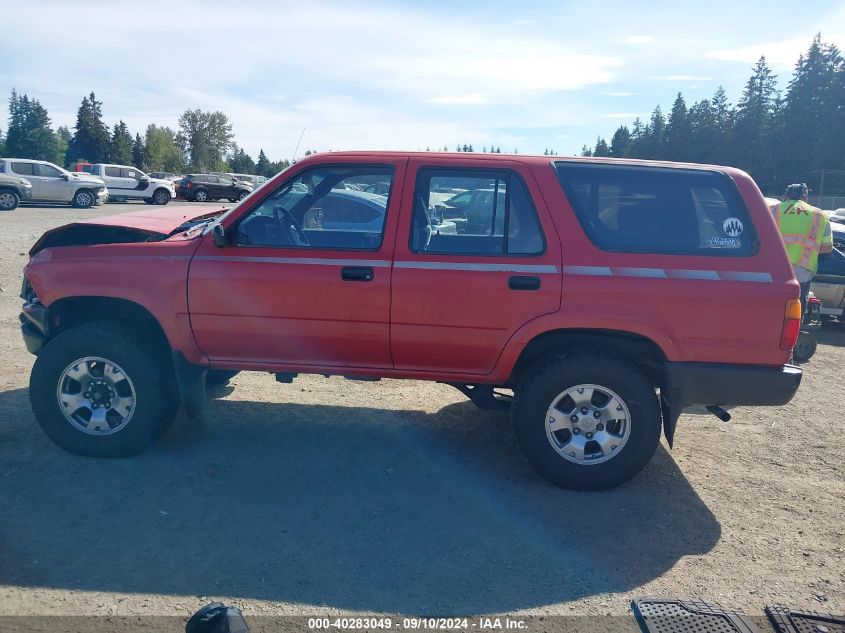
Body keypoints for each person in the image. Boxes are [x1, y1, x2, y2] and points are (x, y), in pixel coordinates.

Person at [774, 183, 833, 312]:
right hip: (802, 272)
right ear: (805, 197)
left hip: (774, 270)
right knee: (795, 311)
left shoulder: (773, 210)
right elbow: (828, 248)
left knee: (772, 308)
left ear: (785, 196)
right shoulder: (819, 215)